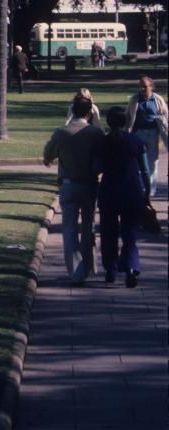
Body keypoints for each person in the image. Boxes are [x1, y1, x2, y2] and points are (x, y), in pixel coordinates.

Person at [43, 94, 105, 283]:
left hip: (69, 184)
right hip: (89, 184)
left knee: (69, 229)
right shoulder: (95, 134)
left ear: (72, 110)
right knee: (88, 226)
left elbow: (47, 155)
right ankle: (89, 267)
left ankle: (76, 272)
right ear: (89, 113)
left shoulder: (62, 132)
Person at [96, 107, 151, 287]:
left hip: (109, 192)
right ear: (126, 121)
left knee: (108, 231)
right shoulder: (136, 141)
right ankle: (131, 268)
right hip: (132, 191)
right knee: (129, 233)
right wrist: (147, 191)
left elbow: (96, 168)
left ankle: (110, 269)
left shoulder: (103, 142)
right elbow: (145, 170)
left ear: (108, 122)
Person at [124, 75, 167, 199]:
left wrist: (162, 122)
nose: (143, 88)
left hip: (153, 133)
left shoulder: (157, 99)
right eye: (141, 86)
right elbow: (128, 116)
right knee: (138, 161)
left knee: (152, 161)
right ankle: (140, 187)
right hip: (138, 133)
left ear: (151, 86)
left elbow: (165, 115)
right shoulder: (135, 99)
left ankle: (151, 190)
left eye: (145, 86)